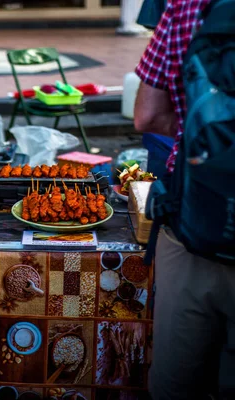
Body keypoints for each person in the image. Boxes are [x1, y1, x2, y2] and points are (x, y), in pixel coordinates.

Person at [134, 1, 235, 399]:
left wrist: (206, 143)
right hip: (195, 222)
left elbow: (147, 116)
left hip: (195, 223)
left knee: (178, 383)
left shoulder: (186, 6)